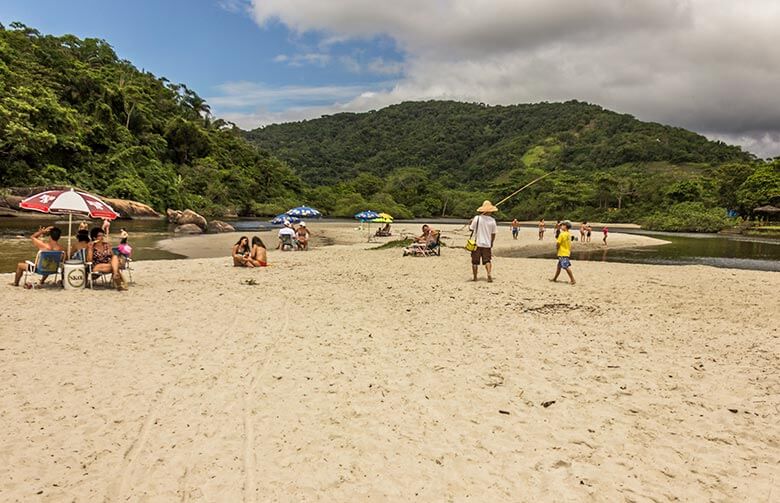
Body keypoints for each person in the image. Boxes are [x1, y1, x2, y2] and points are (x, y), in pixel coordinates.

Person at [469, 200, 498, 282]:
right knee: (487, 260)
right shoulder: (492, 220)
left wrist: (471, 222)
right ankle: (488, 274)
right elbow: (493, 233)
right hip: (487, 243)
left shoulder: (477, 218)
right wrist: (491, 242)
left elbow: (471, 229)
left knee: (475, 261)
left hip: (477, 243)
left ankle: (475, 277)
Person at [550, 220, 576, 285]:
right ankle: (555, 278)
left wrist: (557, 249)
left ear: (566, 226)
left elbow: (558, 243)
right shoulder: (569, 234)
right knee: (559, 266)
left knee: (565, 266)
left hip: (562, 252)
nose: (561, 226)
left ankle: (573, 279)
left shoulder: (562, 234)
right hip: (567, 252)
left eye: (563, 225)